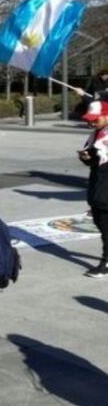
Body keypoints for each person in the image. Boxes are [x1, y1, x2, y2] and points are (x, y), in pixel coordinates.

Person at [79, 101, 108, 278]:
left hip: (105, 188)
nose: (92, 122)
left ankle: (106, 262)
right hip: (97, 185)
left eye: (95, 119)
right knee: (100, 221)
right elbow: (94, 160)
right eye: (89, 119)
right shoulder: (95, 134)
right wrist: (87, 157)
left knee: (105, 224)